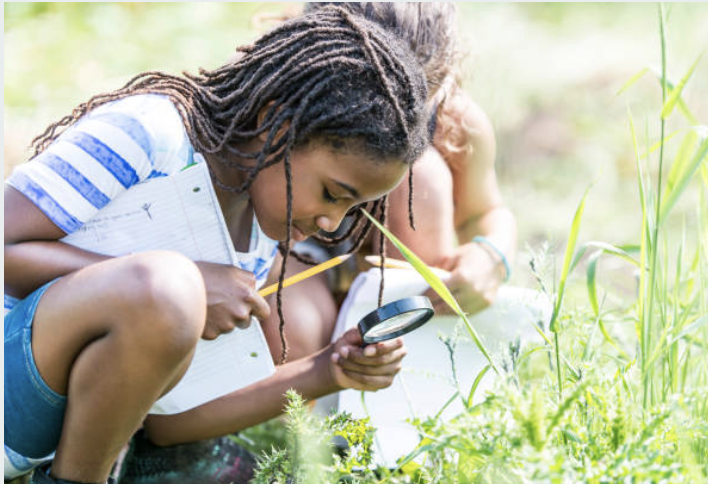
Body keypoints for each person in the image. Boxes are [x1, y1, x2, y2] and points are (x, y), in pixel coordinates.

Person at [3, 6, 430, 484]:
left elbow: (168, 422)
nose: (332, 222)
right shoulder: (152, 133)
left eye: (352, 210)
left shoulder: (257, 240)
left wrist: (330, 370)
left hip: (29, 442)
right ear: (277, 123)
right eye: (332, 193)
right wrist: (180, 284)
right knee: (166, 287)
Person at [260, 2, 518, 363]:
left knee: (422, 178)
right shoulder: (274, 94)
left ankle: (415, 370)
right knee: (294, 327)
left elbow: (485, 212)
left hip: (394, 260)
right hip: (294, 249)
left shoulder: (454, 122)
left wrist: (491, 255)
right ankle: (308, 400)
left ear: (440, 81)